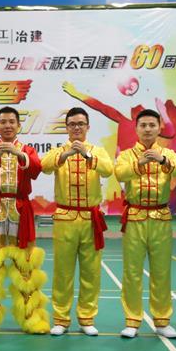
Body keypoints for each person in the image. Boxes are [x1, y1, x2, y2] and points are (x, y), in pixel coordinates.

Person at [0, 106, 48, 334]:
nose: (7, 126)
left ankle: (31, 318)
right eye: (3, 122)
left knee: (25, 266)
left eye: (11, 122)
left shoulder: (27, 150)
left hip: (21, 211)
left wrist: (18, 154)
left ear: (18, 125)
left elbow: (37, 169)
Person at [114, 109, 176, 339]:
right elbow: (119, 174)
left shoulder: (168, 154)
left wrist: (163, 160)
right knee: (132, 272)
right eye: (143, 125)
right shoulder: (127, 155)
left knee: (161, 272)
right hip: (135, 218)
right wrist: (140, 162)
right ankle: (132, 320)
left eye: (152, 125)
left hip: (161, 218)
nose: (147, 129)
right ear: (136, 129)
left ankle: (162, 320)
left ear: (159, 128)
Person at [41, 107, 113, 337]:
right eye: (72, 124)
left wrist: (87, 155)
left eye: (81, 124)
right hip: (65, 218)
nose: (76, 128)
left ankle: (86, 317)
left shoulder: (97, 151)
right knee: (63, 271)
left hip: (91, 219)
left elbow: (108, 170)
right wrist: (66, 155)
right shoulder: (58, 151)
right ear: (66, 128)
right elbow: (44, 166)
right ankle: (61, 318)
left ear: (88, 127)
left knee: (91, 272)